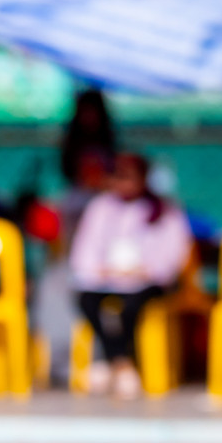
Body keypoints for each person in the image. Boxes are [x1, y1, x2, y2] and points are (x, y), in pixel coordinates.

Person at [69, 151, 192, 399]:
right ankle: (122, 362)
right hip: (107, 279)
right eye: (118, 178)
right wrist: (100, 269)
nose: (123, 185)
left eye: (129, 178)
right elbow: (84, 250)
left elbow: (174, 253)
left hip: (147, 281)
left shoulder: (162, 210)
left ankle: (113, 361)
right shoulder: (100, 208)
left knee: (131, 306)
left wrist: (145, 270)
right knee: (86, 300)